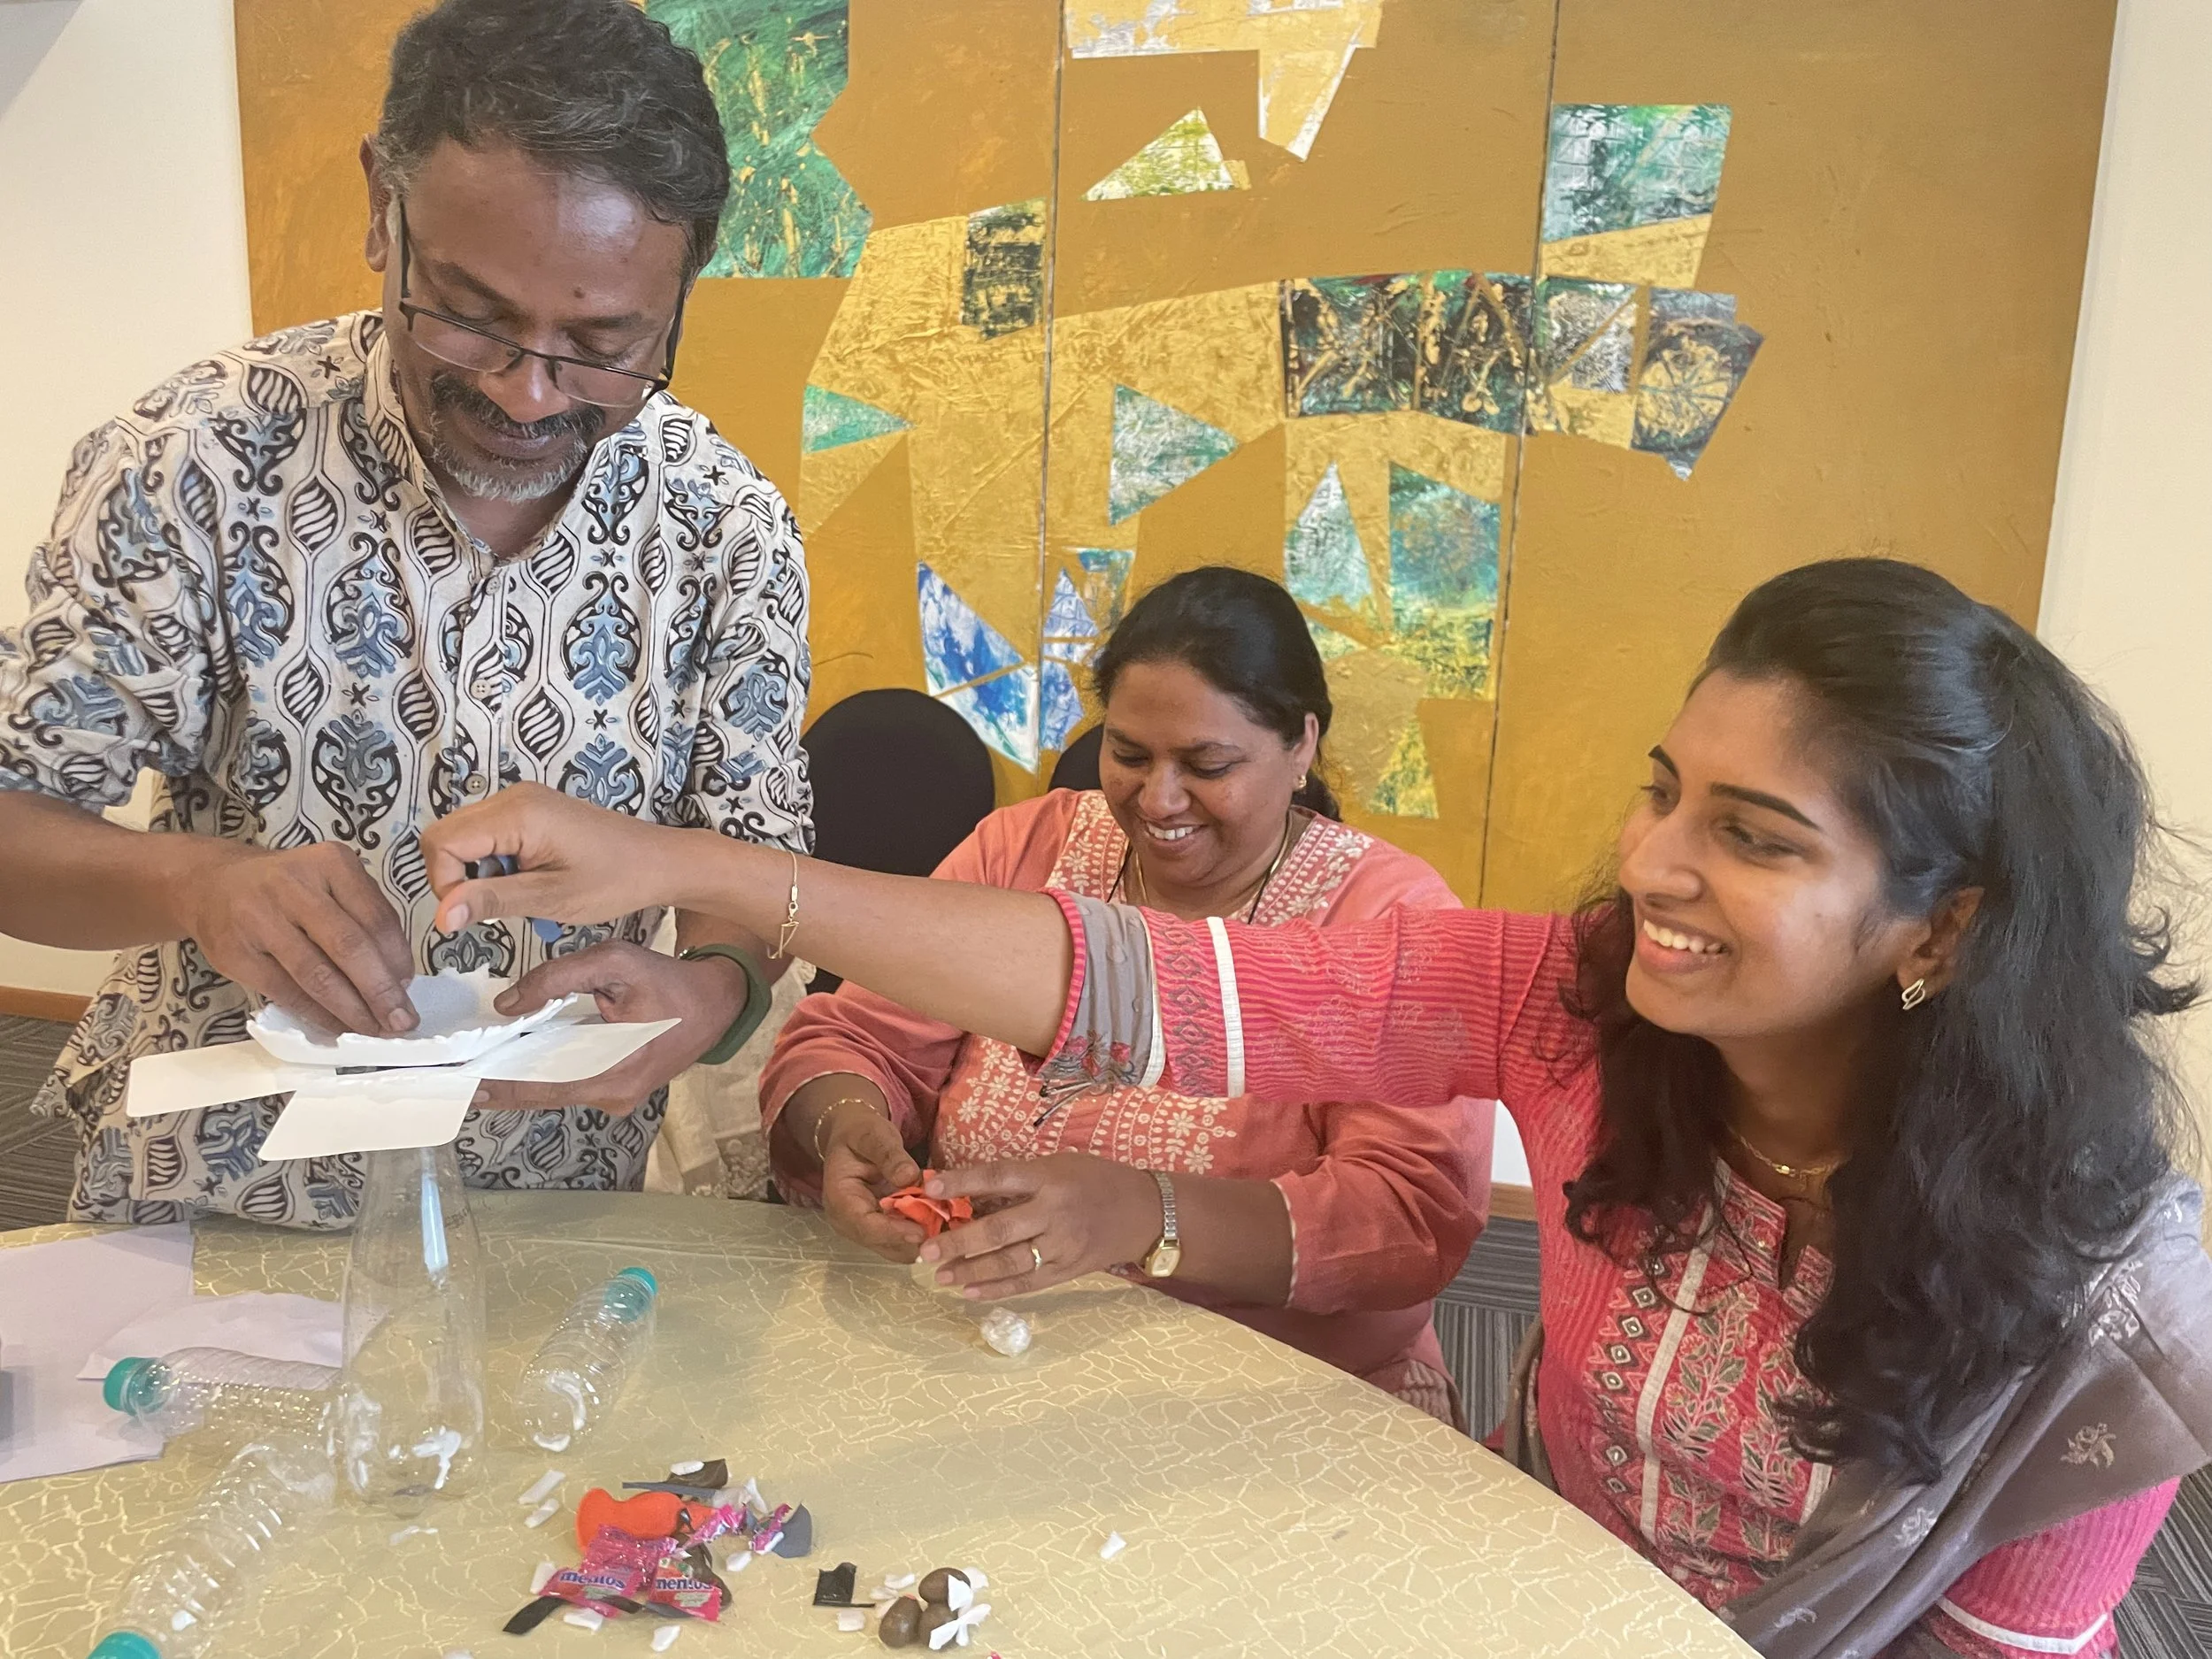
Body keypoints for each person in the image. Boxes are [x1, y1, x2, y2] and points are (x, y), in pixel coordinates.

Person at [423, 559, 2212, 1658]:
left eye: (1751, 836)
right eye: (1665, 792)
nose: (1651, 864)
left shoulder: (2101, 1301)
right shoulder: (1573, 1000)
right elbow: (1151, 986)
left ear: (1940, 920)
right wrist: (697, 873)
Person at [0, 0, 810, 1226]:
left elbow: (758, 872)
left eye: (605, 343)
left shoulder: (726, 525)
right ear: (383, 206)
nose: (528, 392)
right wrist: (195, 882)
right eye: (471, 313)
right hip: (224, 1204)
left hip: (553, 1215)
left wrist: (714, 985)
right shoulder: (197, 459)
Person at [762, 569, 1494, 1426]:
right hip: (988, 1358)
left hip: (1277, 1401)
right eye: (1129, 754)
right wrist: (844, 1121)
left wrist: (1145, 1214)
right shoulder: (1023, 851)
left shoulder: (1390, 921)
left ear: (1301, 746)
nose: (1158, 800)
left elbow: (1404, 1218)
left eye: (1207, 764)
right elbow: (857, 1038)